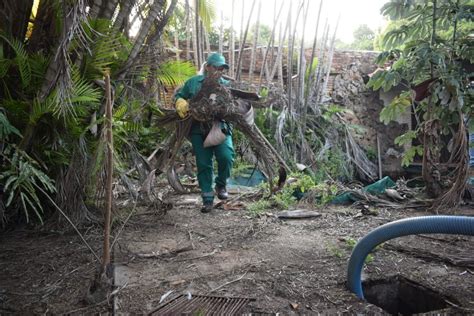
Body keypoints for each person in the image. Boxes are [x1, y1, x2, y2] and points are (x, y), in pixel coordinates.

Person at [174, 53, 235, 213]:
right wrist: (180, 101)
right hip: (198, 128)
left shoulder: (225, 85)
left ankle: (221, 184)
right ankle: (207, 199)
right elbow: (179, 95)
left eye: (222, 68)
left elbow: (233, 104)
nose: (219, 71)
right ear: (207, 67)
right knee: (203, 163)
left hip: (220, 126)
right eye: (216, 67)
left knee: (226, 156)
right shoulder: (194, 82)